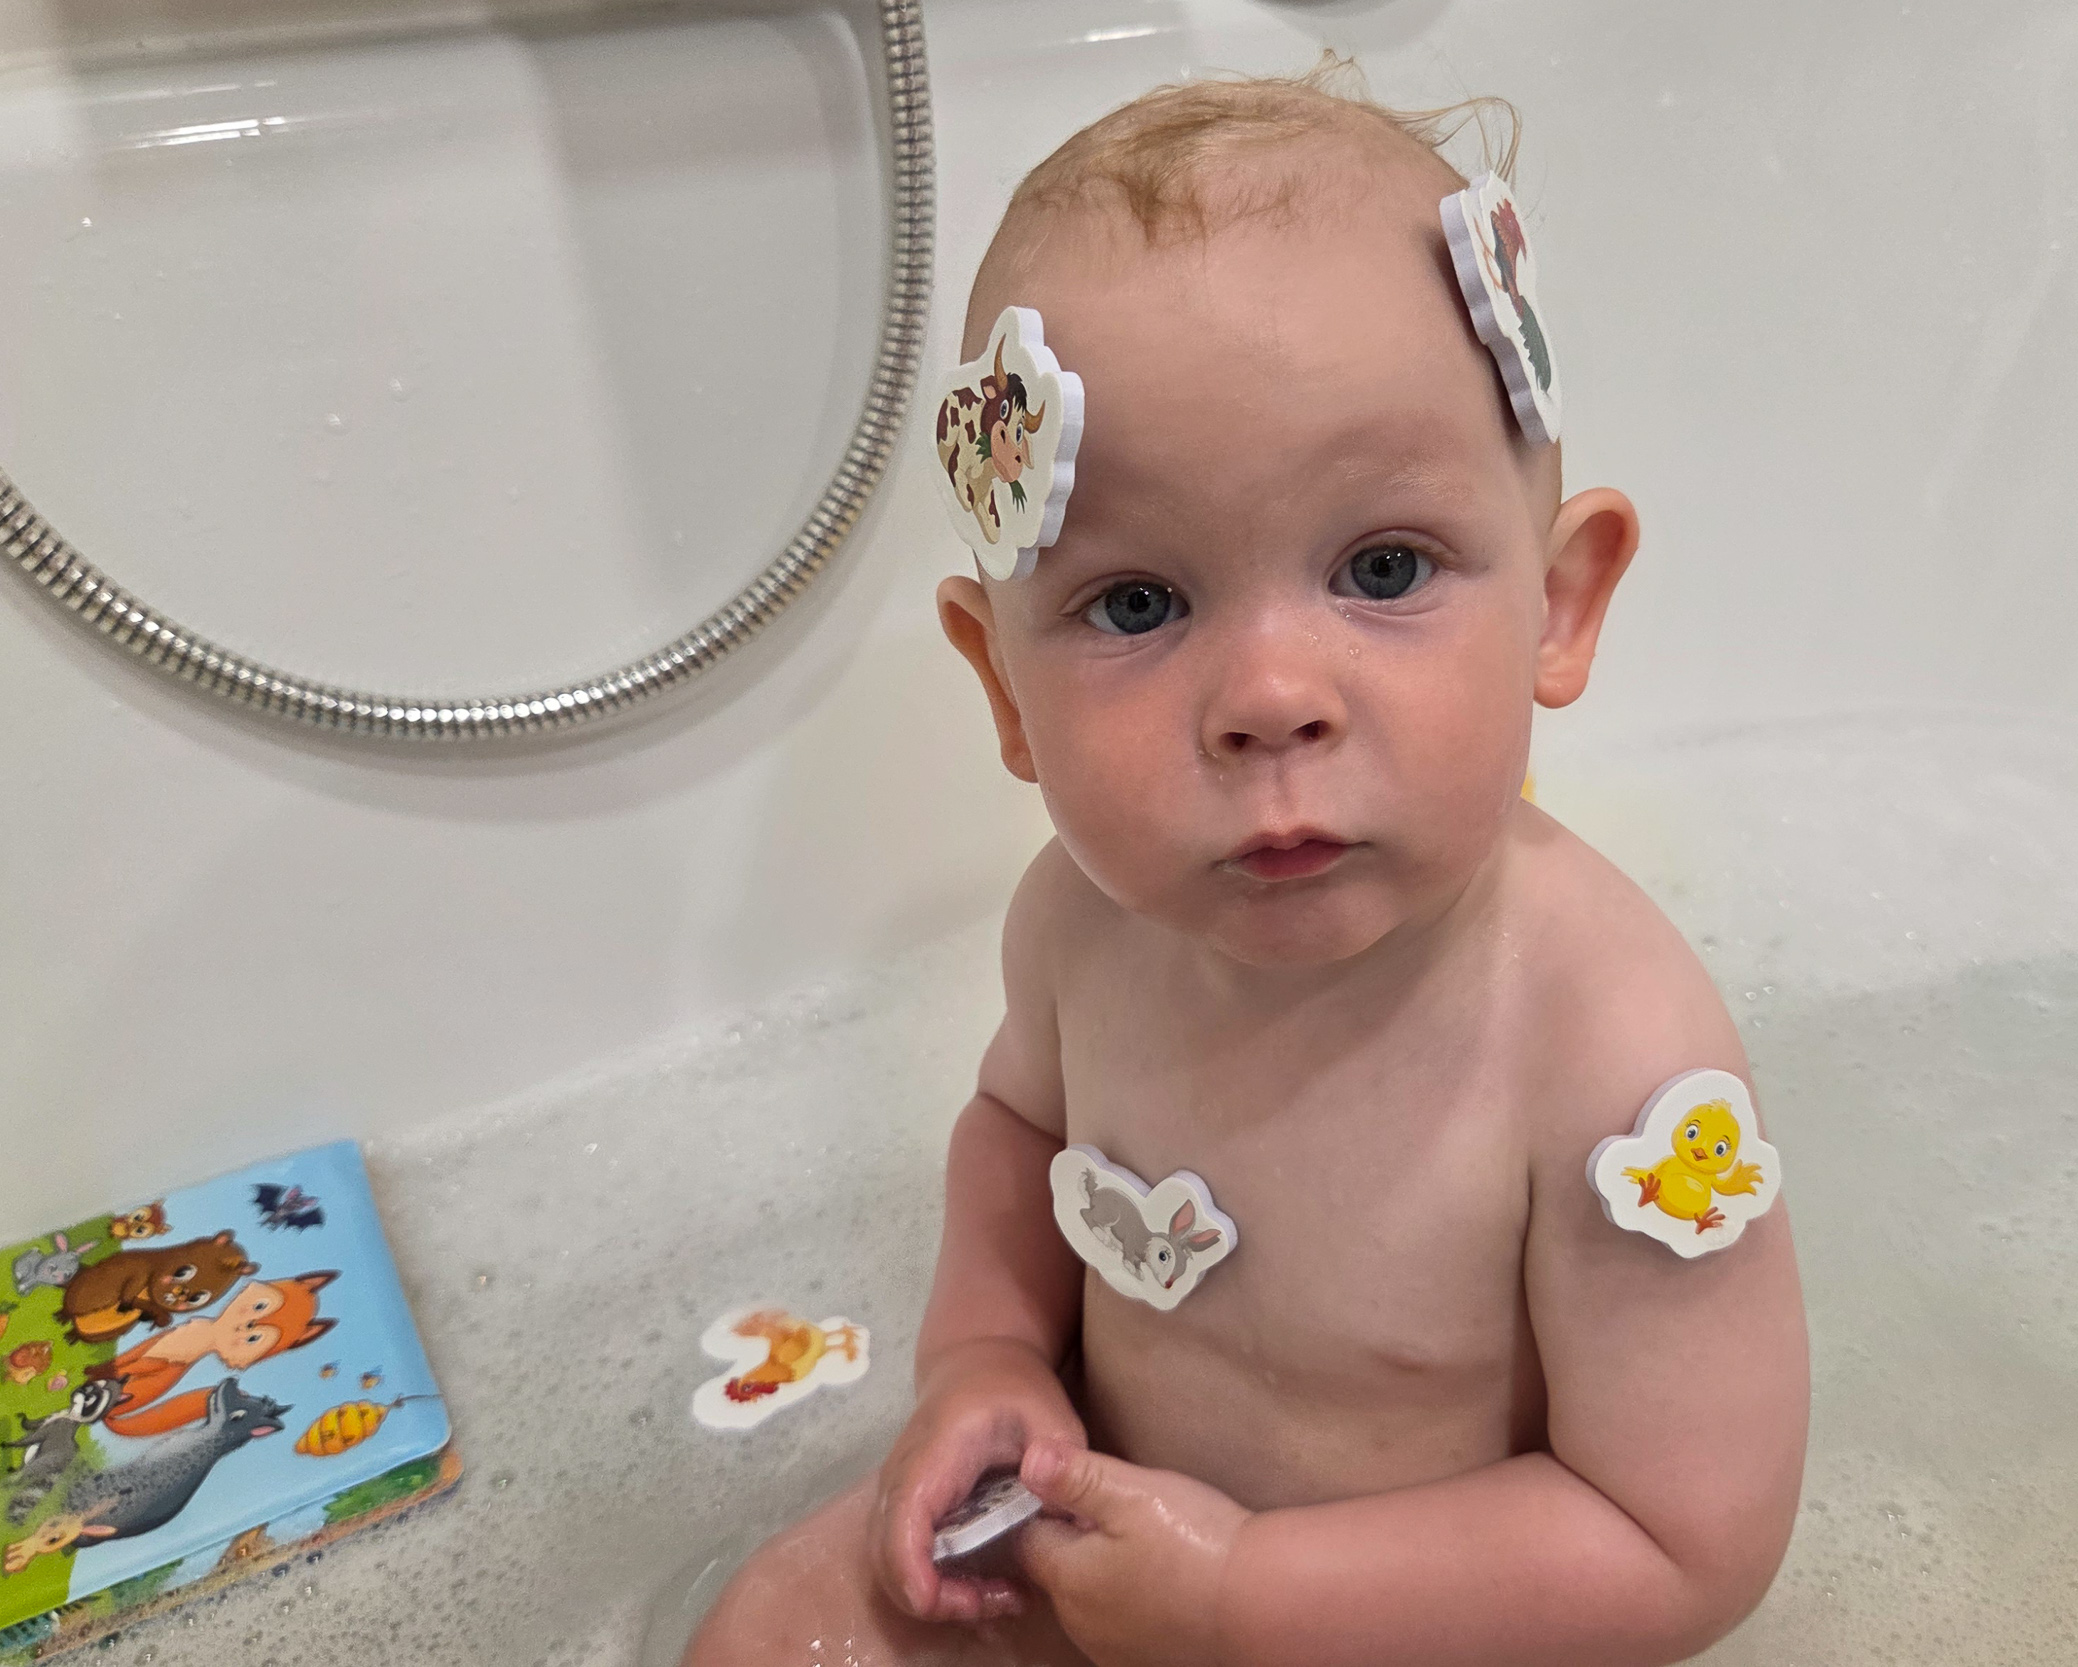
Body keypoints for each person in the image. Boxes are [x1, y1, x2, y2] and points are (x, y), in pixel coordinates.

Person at [687, 65, 1807, 1667]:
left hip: (1437, 1630)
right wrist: (987, 1361)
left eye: (1385, 567)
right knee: (773, 1632)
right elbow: (1017, 1133)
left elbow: (1682, 1544)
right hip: (1117, 1537)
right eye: (1137, 604)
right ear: (1003, 686)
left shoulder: (1614, 1054)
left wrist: (1248, 1599)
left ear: (1561, 606)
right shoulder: (1080, 927)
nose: (1271, 696)